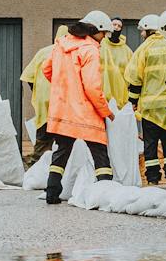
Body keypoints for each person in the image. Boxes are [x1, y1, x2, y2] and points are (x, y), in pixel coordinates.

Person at [42, 11, 116, 205]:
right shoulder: (90, 50)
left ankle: (51, 193)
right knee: (100, 154)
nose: (105, 38)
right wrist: (106, 111)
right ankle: (106, 193)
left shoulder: (61, 45)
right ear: (95, 30)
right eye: (104, 33)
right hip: (85, 112)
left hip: (62, 110)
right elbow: (92, 87)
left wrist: (64, 88)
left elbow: (46, 69)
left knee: (61, 153)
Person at [126, 12, 166, 186]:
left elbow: (135, 78)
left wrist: (133, 102)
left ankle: (152, 178)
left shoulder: (144, 49)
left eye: (142, 31)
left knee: (150, 144)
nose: (141, 35)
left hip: (150, 107)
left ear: (148, 30)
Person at [20, 43, 55, 162]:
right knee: (63, 142)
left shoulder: (43, 52)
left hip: (43, 101)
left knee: (43, 135)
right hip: (62, 103)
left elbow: (28, 76)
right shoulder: (72, 52)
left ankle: (36, 165)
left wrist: (37, 91)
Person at [100, 18, 133, 108]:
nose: (116, 27)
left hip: (120, 97)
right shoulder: (100, 44)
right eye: (114, 24)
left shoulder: (126, 51)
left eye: (119, 26)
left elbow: (131, 74)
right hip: (101, 95)